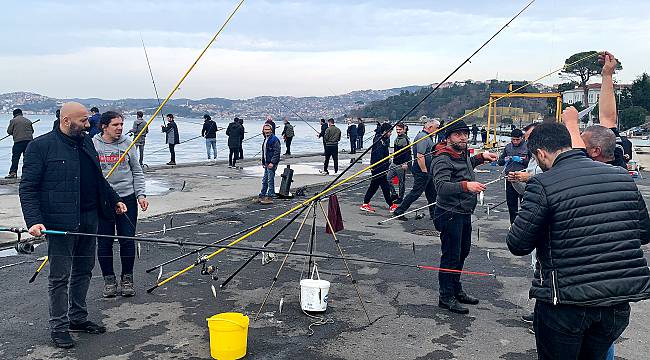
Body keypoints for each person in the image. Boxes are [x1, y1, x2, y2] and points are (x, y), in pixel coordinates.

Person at [506, 122, 650, 360]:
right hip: (616, 302)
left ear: (540, 153)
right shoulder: (621, 176)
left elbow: (518, 243)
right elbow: (643, 233)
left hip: (565, 303)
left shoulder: (543, 183)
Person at [19, 102, 127, 349]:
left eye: (88, 121)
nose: (89, 125)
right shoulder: (40, 147)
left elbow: (98, 179)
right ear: (66, 121)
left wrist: (115, 200)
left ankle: (77, 318)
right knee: (59, 277)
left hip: (90, 218)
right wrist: (34, 221)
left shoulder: (86, 142)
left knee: (84, 270)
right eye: (84, 121)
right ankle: (58, 327)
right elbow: (27, 188)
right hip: (59, 222)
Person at [431, 120, 497, 315]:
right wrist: (466, 186)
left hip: (464, 212)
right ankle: (446, 296)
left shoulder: (461, 154)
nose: (463, 137)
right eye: (458, 134)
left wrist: (481, 157)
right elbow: (441, 187)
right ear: (448, 137)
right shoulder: (442, 158)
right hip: (449, 213)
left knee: (462, 252)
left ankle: (455, 288)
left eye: (465, 134)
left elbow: (467, 165)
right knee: (451, 255)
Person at [93, 111, 148, 298]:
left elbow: (137, 171)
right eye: (115, 125)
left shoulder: (127, 144)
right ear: (104, 126)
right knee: (104, 242)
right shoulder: (94, 145)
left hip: (127, 198)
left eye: (121, 125)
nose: (120, 128)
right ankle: (109, 279)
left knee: (127, 240)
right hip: (104, 201)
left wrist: (141, 195)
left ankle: (127, 279)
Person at [392, 120, 439, 221]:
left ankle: (434, 215)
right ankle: (399, 211)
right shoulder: (423, 137)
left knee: (432, 193)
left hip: (428, 170)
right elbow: (420, 156)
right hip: (422, 170)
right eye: (436, 128)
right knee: (416, 192)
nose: (437, 130)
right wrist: (424, 171)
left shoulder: (427, 137)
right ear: (430, 127)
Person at [360, 123, 395, 213]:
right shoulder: (379, 140)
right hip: (379, 168)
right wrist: (382, 166)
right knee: (385, 187)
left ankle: (365, 203)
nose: (391, 134)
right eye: (390, 132)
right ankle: (391, 205)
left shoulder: (383, 139)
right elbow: (378, 156)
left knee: (374, 186)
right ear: (385, 131)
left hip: (380, 167)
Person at [497, 129, 528, 224]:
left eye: (517, 140)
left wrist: (521, 160)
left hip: (522, 178)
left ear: (521, 138)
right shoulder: (508, 147)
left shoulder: (528, 147)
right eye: (513, 140)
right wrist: (505, 159)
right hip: (510, 178)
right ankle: (513, 224)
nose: (515, 142)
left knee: (525, 204)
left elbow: (532, 162)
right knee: (511, 204)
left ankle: (524, 225)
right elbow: (500, 162)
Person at [386, 123, 411, 206]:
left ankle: (400, 198)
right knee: (387, 179)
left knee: (401, 182)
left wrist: (406, 163)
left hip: (401, 164)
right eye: (397, 129)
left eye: (400, 129)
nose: (398, 131)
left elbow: (408, 152)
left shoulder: (405, 139)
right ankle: (394, 194)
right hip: (394, 162)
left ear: (404, 129)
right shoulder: (397, 138)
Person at [5, 108, 34, 179]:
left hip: (18, 142)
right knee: (27, 158)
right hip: (29, 142)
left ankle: (13, 173)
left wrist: (15, 132)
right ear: (21, 113)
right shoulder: (28, 121)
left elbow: (9, 131)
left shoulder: (13, 121)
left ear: (14, 114)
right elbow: (32, 131)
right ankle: (27, 173)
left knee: (15, 158)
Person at [258, 124, 281, 204]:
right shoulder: (266, 139)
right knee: (265, 180)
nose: (267, 131)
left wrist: (272, 162)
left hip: (271, 163)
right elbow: (264, 152)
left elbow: (277, 152)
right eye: (265, 130)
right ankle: (262, 195)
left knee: (270, 180)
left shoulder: (274, 139)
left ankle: (270, 196)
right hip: (267, 163)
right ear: (263, 130)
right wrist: (264, 162)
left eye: (268, 130)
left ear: (271, 130)